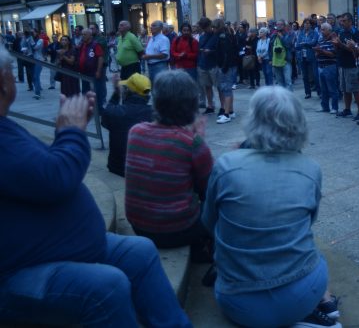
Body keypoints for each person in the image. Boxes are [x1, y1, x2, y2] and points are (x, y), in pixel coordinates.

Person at [0, 47, 192, 327]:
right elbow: (56, 178)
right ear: (5, 82)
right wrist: (71, 131)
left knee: (141, 252)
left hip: (59, 250)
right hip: (19, 274)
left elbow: (37, 173)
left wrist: (66, 132)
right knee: (107, 286)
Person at [202, 86, 341, 328]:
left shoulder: (226, 165)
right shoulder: (311, 169)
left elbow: (208, 222)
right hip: (303, 295)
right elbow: (308, 222)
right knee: (315, 253)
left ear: (253, 120)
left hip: (238, 302)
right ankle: (315, 311)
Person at [125, 70, 214, 261]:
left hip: (139, 226)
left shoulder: (135, 132)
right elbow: (208, 189)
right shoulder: (192, 143)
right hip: (179, 229)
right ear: (192, 104)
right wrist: (199, 141)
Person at [101, 73, 153, 177]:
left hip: (118, 169)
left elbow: (106, 116)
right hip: (145, 171)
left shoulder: (115, 112)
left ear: (128, 92)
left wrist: (116, 93)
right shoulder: (155, 114)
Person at [333, 12, 359, 118]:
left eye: (344, 21)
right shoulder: (341, 32)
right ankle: (347, 109)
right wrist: (336, 45)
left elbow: (355, 49)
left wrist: (340, 44)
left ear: (350, 21)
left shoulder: (355, 32)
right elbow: (338, 48)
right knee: (345, 88)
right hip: (342, 63)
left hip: (352, 64)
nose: (341, 23)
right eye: (341, 21)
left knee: (355, 88)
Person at [214, 19, 239, 124]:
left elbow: (226, 53)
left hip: (226, 66)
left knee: (226, 89)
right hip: (230, 65)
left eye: (214, 27)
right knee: (227, 89)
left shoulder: (223, 37)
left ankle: (226, 113)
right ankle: (231, 111)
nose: (213, 29)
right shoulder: (228, 35)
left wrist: (224, 67)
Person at [314, 23, 338, 114]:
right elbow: (317, 54)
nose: (321, 31)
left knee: (332, 88)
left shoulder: (333, 40)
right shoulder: (320, 40)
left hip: (330, 66)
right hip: (320, 66)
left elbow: (333, 54)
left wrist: (321, 51)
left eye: (324, 29)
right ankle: (325, 107)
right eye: (321, 29)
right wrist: (317, 51)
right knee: (323, 89)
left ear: (329, 30)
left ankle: (334, 108)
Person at [296, 18, 320, 99]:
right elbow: (298, 44)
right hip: (302, 56)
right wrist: (306, 44)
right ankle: (307, 93)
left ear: (311, 25)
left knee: (315, 75)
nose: (307, 25)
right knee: (305, 76)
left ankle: (320, 92)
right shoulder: (301, 33)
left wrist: (305, 43)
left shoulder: (315, 33)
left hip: (312, 56)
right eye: (305, 23)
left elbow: (313, 42)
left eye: (308, 23)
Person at [270, 20, 293, 91]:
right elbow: (270, 47)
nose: (279, 26)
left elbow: (288, 45)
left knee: (288, 81)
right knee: (279, 82)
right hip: (276, 61)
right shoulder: (273, 35)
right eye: (277, 24)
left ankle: (289, 99)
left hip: (286, 61)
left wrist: (281, 37)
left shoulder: (288, 34)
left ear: (284, 26)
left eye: (281, 24)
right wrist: (270, 59)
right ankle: (282, 99)